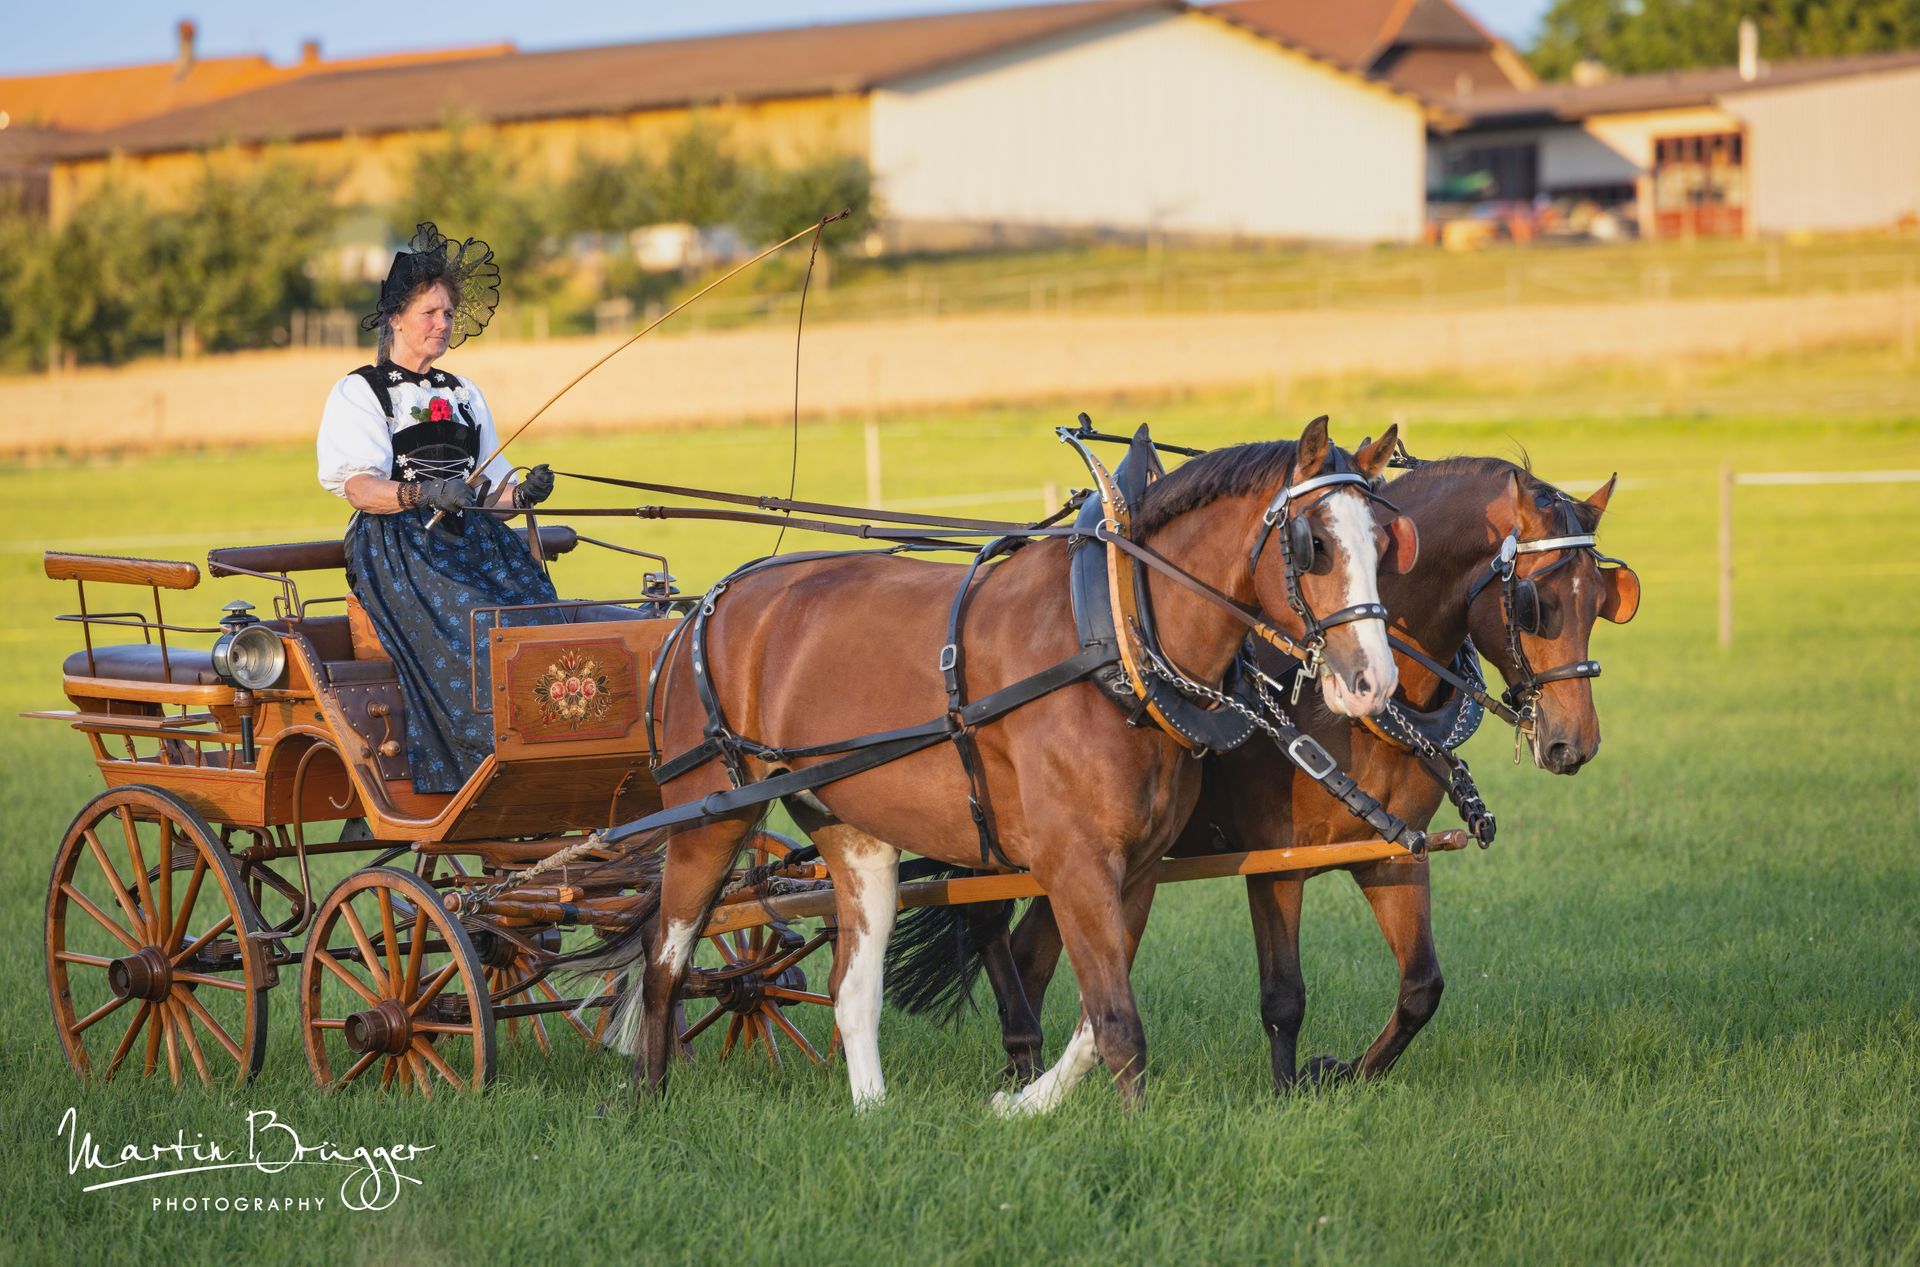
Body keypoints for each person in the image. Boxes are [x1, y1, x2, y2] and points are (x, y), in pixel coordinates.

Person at [316, 222, 559, 793]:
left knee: (540, 618)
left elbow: (492, 496)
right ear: (396, 317)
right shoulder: (362, 392)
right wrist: (423, 494)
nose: (442, 324)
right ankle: (478, 767)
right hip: (399, 545)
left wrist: (520, 495)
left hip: (472, 537)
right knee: (476, 626)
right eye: (430, 313)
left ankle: (550, 753)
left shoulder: (464, 392)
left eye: (448, 314)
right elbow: (358, 488)